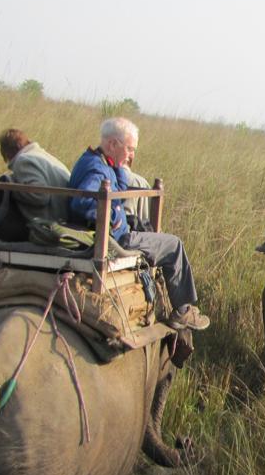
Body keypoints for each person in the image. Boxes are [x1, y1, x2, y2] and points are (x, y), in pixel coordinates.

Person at [68, 117, 209, 332]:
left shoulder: (100, 161)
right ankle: (183, 310)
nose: (132, 154)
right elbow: (83, 202)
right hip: (118, 238)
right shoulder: (97, 170)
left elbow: (117, 194)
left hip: (117, 231)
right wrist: (115, 218)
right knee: (174, 245)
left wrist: (121, 169)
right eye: (130, 149)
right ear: (112, 144)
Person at [0, 129, 71, 240]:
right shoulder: (44, 156)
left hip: (50, 225)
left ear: (8, 152)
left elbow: (40, 196)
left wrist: (10, 188)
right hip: (64, 220)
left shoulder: (24, 160)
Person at [119, 147, 154, 232]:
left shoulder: (98, 176)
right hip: (130, 236)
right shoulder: (139, 182)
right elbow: (146, 222)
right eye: (129, 149)